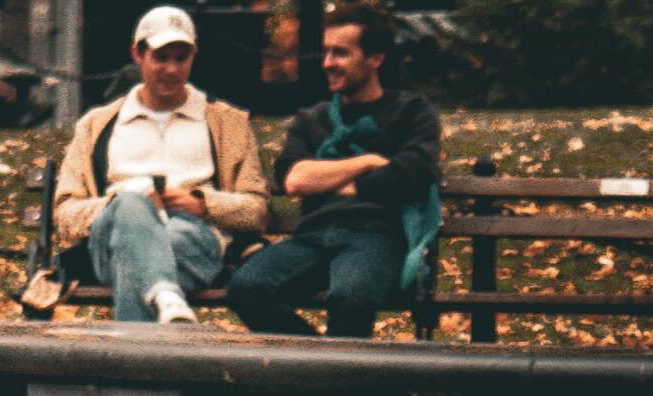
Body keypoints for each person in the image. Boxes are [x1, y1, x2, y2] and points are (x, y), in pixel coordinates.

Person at [227, 2, 439, 339]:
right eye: (326, 52)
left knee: (351, 297)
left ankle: (332, 384)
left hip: (375, 237)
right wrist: (367, 163)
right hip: (312, 236)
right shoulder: (312, 119)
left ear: (375, 59)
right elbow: (293, 178)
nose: (327, 63)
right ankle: (321, 374)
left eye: (340, 53)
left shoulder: (411, 112)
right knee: (245, 287)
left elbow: (411, 174)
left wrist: (326, 181)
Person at [51, 4, 267, 325]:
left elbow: (256, 210)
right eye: (161, 58)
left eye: (181, 58)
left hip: (195, 240)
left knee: (144, 257)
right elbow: (66, 212)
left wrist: (202, 204)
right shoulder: (98, 125)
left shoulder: (227, 123)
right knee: (130, 203)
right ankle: (165, 295)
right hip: (109, 240)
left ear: (194, 57)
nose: (171, 69)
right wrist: (120, 205)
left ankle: (142, 342)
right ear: (137, 55)